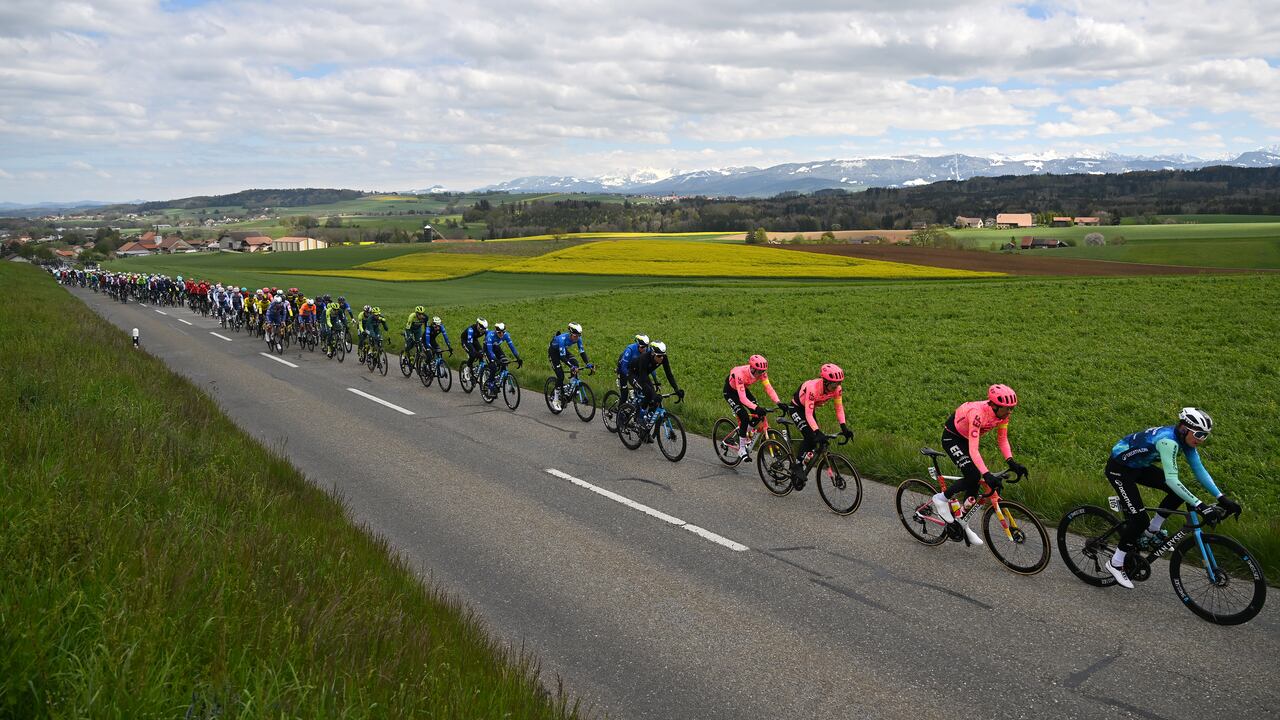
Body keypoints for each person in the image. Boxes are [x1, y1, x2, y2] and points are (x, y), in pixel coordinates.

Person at [1102, 407, 1240, 589]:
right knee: (1139, 519)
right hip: (1119, 470)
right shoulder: (1168, 442)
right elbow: (1172, 480)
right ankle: (1116, 562)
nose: (1201, 439)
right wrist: (1200, 505)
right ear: (1184, 428)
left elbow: (1200, 471)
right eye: (1199, 434)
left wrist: (1221, 497)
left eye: (1205, 435)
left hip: (1139, 466)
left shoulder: (1185, 440)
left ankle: (1152, 532)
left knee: (1177, 493)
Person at [929, 384, 1028, 546]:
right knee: (973, 475)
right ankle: (941, 499)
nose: (1010, 412)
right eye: (1007, 408)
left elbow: (1002, 439)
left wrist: (1011, 461)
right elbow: (974, 450)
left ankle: (962, 524)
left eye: (1012, 408)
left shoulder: (1002, 415)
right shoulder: (977, 414)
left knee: (973, 489)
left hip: (966, 438)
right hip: (952, 438)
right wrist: (987, 474)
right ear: (994, 405)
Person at [787, 363, 852, 490]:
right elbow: (808, 414)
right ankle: (797, 465)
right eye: (834, 384)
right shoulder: (813, 388)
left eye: (839, 383)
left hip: (809, 409)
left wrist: (844, 427)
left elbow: (839, 408)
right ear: (826, 382)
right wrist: (816, 432)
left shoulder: (837, 389)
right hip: (797, 408)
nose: (837, 387)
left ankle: (806, 456)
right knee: (810, 436)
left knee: (815, 439)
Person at [724, 354, 780, 460]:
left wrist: (778, 402)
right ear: (752, 368)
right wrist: (756, 408)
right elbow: (743, 399)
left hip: (742, 389)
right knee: (744, 416)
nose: (761, 374)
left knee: (758, 415)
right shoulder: (740, 374)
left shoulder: (761, 373)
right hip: (730, 392)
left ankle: (742, 433)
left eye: (763, 371)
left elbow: (768, 387)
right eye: (759, 371)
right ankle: (741, 449)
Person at [627, 340, 683, 429]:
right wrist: (653, 395)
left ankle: (644, 430)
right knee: (649, 394)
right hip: (634, 374)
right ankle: (639, 419)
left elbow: (669, 374)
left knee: (654, 400)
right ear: (653, 353)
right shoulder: (644, 358)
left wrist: (676, 389)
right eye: (659, 356)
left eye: (663, 355)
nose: (661, 358)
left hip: (644, 375)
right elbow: (643, 379)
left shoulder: (663, 358)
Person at [548, 322, 593, 411]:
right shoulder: (562, 339)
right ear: (570, 333)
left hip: (562, 351)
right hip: (554, 353)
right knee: (560, 376)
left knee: (575, 363)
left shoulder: (578, 338)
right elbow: (562, 356)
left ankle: (572, 386)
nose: (577, 338)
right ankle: (556, 400)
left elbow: (582, 352)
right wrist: (571, 366)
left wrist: (587, 363)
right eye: (575, 336)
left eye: (578, 336)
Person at [484, 322, 522, 389]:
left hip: (496, 347)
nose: (501, 334)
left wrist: (518, 358)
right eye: (499, 333)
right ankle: (490, 382)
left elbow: (512, 347)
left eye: (503, 332)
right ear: (496, 331)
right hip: (487, 349)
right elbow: (490, 351)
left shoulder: (506, 335)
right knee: (493, 367)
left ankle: (499, 378)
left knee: (504, 361)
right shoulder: (490, 336)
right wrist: (495, 359)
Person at [615, 334, 649, 406]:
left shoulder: (646, 351)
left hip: (633, 369)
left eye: (646, 347)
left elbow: (649, 368)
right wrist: (630, 377)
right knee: (624, 394)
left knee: (641, 390)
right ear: (637, 345)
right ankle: (619, 412)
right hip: (623, 369)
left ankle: (632, 407)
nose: (644, 349)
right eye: (642, 347)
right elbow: (623, 367)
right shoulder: (630, 350)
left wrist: (655, 381)